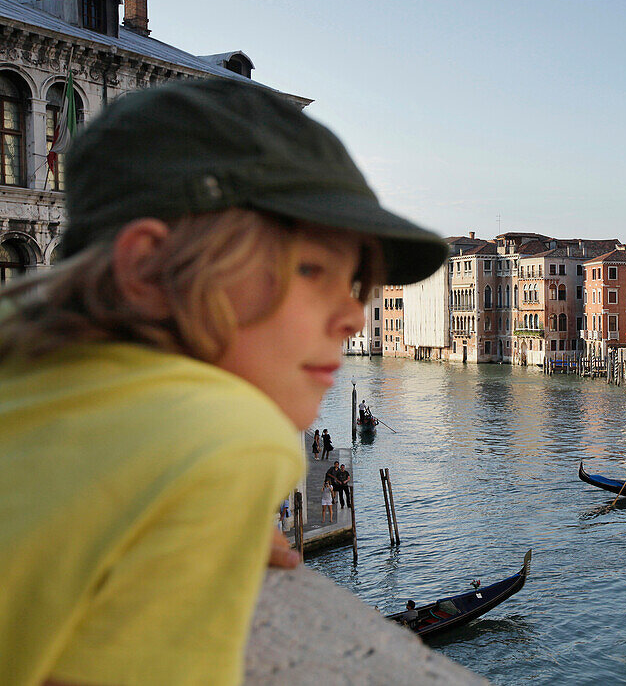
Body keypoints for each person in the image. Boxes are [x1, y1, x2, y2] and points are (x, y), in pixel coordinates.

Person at [0, 78, 448, 684]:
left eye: (356, 285)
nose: (353, 317)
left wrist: (174, 518)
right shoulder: (230, 437)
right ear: (146, 270)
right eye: (312, 269)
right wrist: (211, 483)